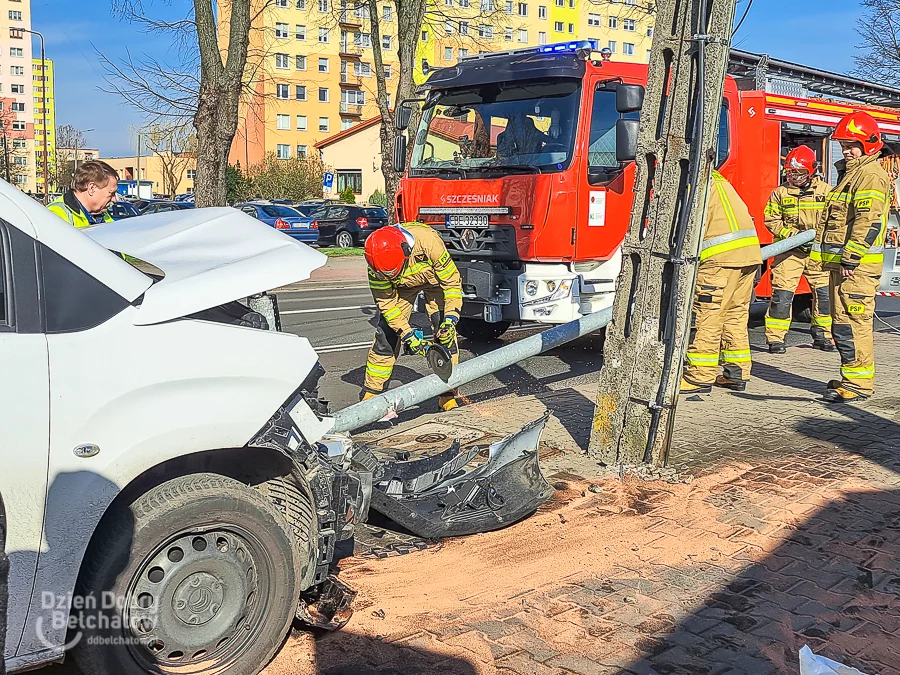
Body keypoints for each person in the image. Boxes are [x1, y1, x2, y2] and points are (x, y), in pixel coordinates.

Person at [817, 111, 891, 404]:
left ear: (869, 144)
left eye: (852, 144)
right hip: (847, 266)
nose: (846, 149)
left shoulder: (870, 175)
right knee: (843, 322)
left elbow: (868, 221)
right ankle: (852, 376)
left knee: (854, 322)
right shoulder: (852, 172)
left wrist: (850, 258)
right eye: (843, 144)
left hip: (856, 267)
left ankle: (859, 383)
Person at [362, 223, 464, 411]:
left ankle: (447, 395)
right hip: (402, 288)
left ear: (406, 251)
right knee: (386, 335)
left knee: (445, 334)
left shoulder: (429, 243)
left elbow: (452, 285)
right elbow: (388, 306)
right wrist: (408, 335)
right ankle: (371, 395)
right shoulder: (375, 266)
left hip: (435, 282)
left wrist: (450, 321)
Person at [681, 170, 762, 394]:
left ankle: (699, 376)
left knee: (707, 316)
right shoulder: (717, 179)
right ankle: (737, 373)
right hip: (748, 255)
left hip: (719, 259)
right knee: (735, 315)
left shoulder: (691, 180)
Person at [763, 145, 835, 353]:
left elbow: (834, 220)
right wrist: (791, 236)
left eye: (800, 173)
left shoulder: (826, 192)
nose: (794, 177)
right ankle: (775, 339)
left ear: (811, 171)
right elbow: (772, 220)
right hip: (790, 252)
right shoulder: (780, 193)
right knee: (782, 297)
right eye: (791, 173)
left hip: (817, 252)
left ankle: (823, 335)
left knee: (824, 296)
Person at [47, 161, 119, 228]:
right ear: (92, 188)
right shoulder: (55, 215)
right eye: (111, 193)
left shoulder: (103, 214)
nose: (114, 200)